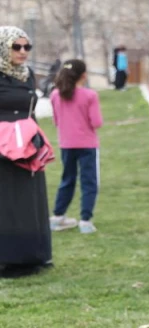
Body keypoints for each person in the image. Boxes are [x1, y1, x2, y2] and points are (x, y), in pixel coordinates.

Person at [0, 27, 53, 276]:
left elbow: (30, 111)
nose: (22, 52)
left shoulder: (27, 74)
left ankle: (34, 255)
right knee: (7, 202)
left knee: (30, 200)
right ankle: (8, 259)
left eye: (26, 47)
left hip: (26, 146)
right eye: (16, 46)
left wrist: (38, 140)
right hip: (2, 148)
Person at [49, 60, 102, 234]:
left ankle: (57, 217)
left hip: (67, 145)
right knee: (89, 182)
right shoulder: (90, 95)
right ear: (84, 75)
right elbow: (96, 122)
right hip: (87, 145)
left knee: (67, 179)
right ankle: (85, 221)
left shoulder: (55, 95)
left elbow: (56, 121)